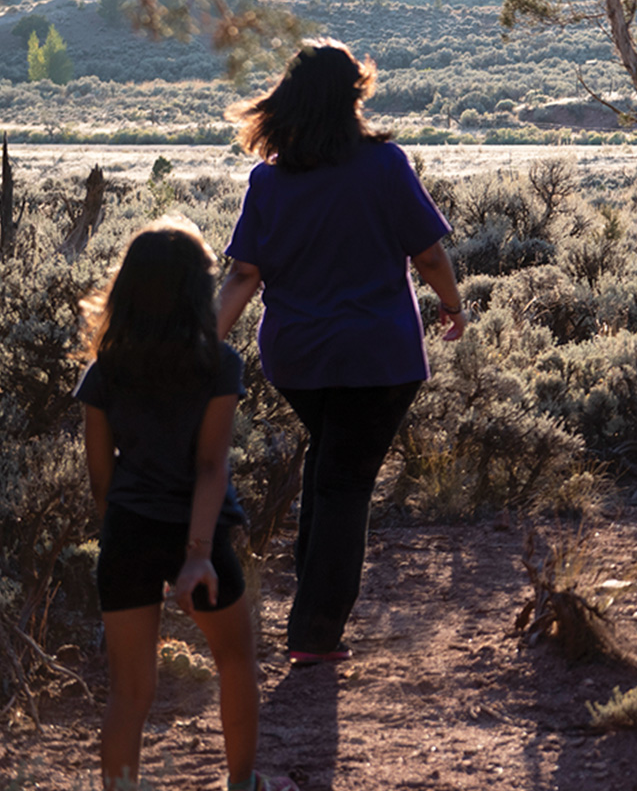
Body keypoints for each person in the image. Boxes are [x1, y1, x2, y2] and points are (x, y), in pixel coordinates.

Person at [215, 39, 465, 668]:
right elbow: (428, 254)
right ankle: (315, 633)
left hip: (297, 357)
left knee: (332, 467)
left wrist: (202, 343)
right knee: (345, 483)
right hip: (377, 356)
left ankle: (309, 615)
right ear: (354, 94)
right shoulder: (385, 166)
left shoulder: (269, 180)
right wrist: (453, 302)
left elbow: (243, 275)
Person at [78, 217, 296, 791]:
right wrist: (196, 553)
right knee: (236, 663)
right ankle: (243, 784)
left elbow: (101, 478)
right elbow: (210, 465)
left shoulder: (105, 371)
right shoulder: (217, 366)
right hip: (195, 535)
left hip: (126, 533)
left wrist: (124, 533)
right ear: (196, 291)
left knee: (129, 692)